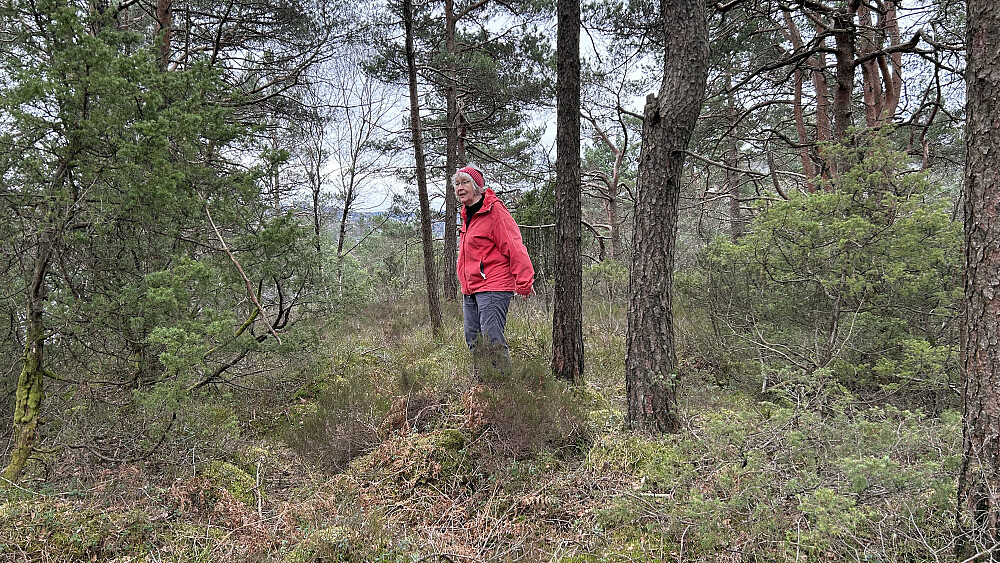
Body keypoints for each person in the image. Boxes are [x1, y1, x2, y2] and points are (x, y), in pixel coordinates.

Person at [454, 164, 534, 371]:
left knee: (492, 340)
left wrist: (524, 281)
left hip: (493, 285)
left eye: (464, 183)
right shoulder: (467, 214)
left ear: (477, 186)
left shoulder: (494, 210)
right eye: (456, 184)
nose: (460, 188)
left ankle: (503, 391)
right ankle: (483, 389)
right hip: (471, 288)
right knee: (473, 339)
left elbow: (514, 246)